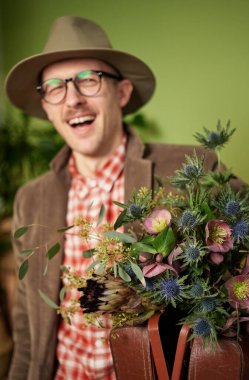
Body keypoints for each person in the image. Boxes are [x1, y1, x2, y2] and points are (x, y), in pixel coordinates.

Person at [5, 16, 219, 380]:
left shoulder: (190, 172)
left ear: (121, 93)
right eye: (55, 87)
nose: (72, 99)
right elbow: (28, 331)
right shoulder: (30, 199)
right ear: (46, 107)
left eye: (88, 80)